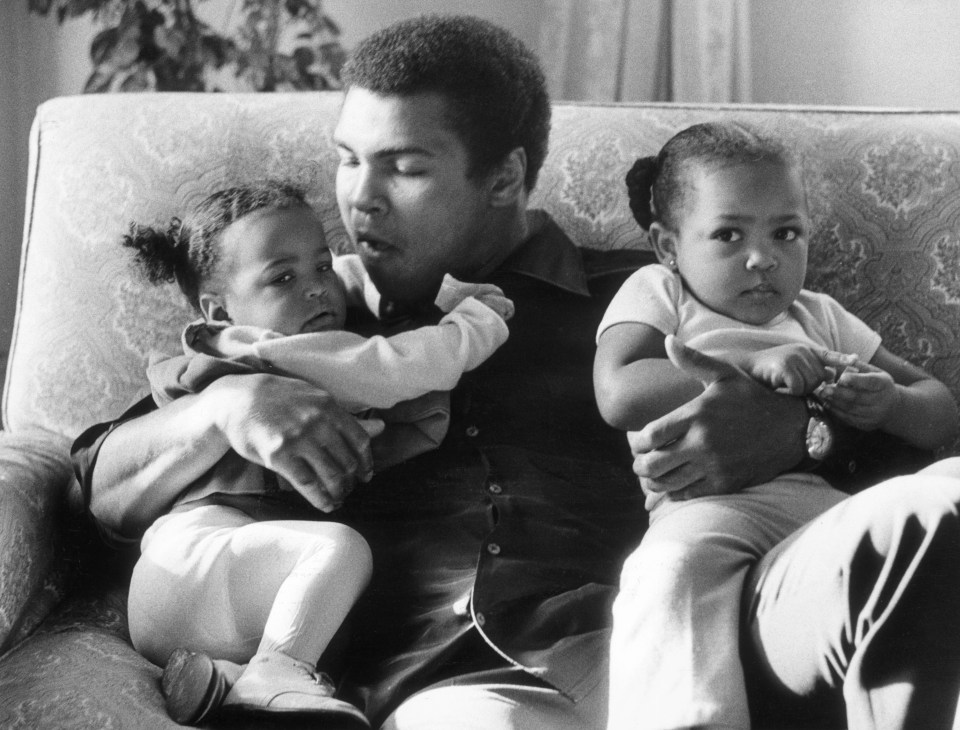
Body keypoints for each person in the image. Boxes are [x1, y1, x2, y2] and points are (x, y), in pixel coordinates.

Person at [72, 14, 960, 730]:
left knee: (941, 507)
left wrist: (800, 426)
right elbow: (96, 489)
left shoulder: (649, 293)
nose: (359, 198)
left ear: (505, 179)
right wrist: (232, 407)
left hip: (713, 624)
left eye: (404, 167)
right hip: (467, 690)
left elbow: (890, 431)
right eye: (348, 159)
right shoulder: (309, 326)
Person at [593, 122, 959, 730]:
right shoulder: (661, 293)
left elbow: (938, 408)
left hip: (823, 511)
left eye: (786, 233)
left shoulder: (818, 315)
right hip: (708, 510)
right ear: (667, 246)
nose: (762, 259)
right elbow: (619, 389)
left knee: (941, 496)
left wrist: (886, 402)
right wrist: (751, 363)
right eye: (728, 235)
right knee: (668, 572)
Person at [119, 181, 511, 726]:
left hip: (202, 601)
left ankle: (222, 679)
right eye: (282, 277)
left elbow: (345, 282)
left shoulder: (235, 348)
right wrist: (473, 320)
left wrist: (336, 275)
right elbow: (395, 366)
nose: (316, 290)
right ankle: (277, 668)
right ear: (219, 310)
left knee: (331, 604)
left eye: (322, 267)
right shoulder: (273, 352)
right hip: (198, 559)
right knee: (341, 551)